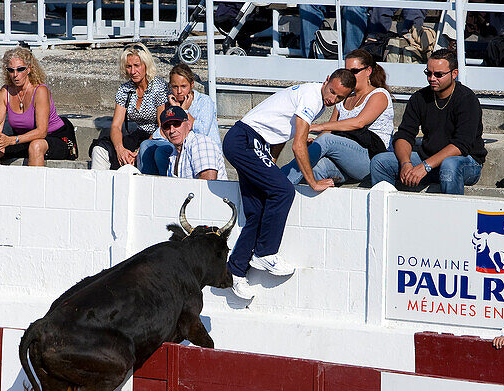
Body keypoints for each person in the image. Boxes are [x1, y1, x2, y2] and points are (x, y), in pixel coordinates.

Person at [223, 70, 356, 301]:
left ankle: (235, 271)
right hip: (244, 141)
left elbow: (279, 134)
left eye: (339, 98)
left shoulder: (317, 98)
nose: (332, 99)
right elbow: (298, 145)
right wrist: (313, 183)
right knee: (283, 191)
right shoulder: (312, 97)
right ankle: (265, 252)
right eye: (332, 91)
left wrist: (271, 165)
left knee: (257, 211)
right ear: (326, 81)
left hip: (252, 143)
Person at [368, 49, 486, 195]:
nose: (432, 78)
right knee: (380, 161)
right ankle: (386, 212)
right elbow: (404, 135)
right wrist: (406, 164)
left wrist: (425, 166)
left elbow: (461, 145)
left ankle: (451, 215)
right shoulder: (419, 98)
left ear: (454, 74)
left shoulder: (467, 99)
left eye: (438, 74)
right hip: (428, 159)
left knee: (449, 166)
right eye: (428, 73)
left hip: (465, 162)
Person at [281, 49, 393, 187]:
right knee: (315, 170)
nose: (349, 75)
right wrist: (315, 142)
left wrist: (320, 126)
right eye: (346, 71)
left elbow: (359, 122)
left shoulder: (379, 94)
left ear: (368, 71)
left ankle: (279, 182)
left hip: (371, 158)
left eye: (354, 71)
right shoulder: (343, 97)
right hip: (344, 159)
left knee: (327, 140)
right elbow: (330, 129)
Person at [0, 46, 77, 166]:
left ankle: (34, 184)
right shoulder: (5, 92)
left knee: (36, 145)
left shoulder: (40, 90)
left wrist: (11, 140)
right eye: (11, 70)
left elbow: (42, 132)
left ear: (29, 69)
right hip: (23, 140)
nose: (15, 75)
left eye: (20, 69)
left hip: (54, 137)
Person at [90, 44, 170, 169]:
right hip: (137, 136)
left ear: (146, 65)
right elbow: (116, 126)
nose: (133, 71)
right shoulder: (124, 90)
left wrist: (138, 151)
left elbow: (162, 127)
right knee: (100, 149)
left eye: (137, 66)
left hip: (156, 137)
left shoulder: (158, 87)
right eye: (129, 66)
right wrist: (120, 149)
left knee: (145, 151)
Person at [137, 64, 221, 176]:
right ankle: (147, 184)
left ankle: (164, 184)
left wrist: (183, 111)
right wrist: (137, 150)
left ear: (191, 85)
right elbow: (162, 131)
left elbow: (202, 131)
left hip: (201, 148)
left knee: (160, 153)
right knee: (146, 145)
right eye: (175, 87)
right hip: (179, 144)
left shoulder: (204, 101)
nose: (179, 91)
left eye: (183, 86)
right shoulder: (172, 102)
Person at [156, 106, 228, 181]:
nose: (172, 130)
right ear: (163, 131)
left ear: (189, 124)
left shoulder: (200, 143)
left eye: (177, 124)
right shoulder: (173, 155)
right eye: (166, 126)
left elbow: (208, 181)